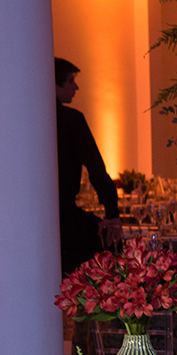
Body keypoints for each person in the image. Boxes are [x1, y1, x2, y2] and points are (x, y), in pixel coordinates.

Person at [55, 57, 122, 276]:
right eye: (70, 81)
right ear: (54, 83)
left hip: (30, 217)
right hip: (64, 216)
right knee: (108, 251)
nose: (76, 87)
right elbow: (95, 167)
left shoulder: (23, 119)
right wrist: (111, 212)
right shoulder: (71, 120)